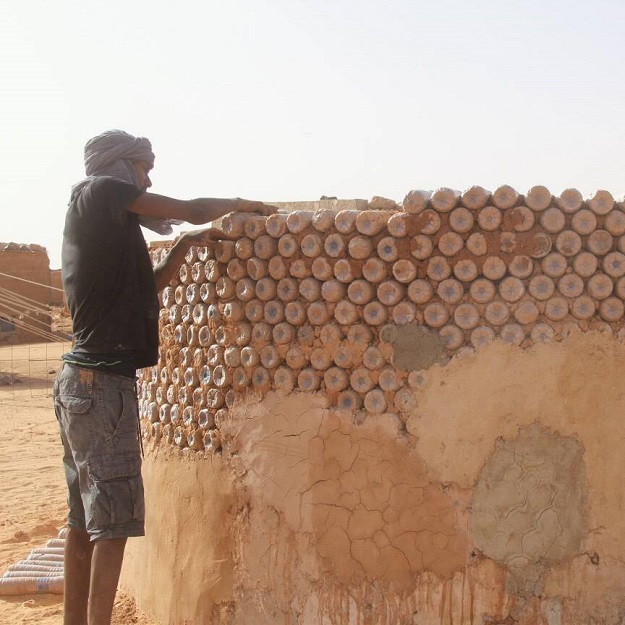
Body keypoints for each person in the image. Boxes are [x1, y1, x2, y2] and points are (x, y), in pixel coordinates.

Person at [54, 129, 276, 625]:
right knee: (111, 525)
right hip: (103, 385)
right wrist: (244, 205)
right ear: (121, 165)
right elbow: (191, 206)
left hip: (79, 383)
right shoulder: (102, 192)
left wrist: (185, 246)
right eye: (143, 167)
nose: (148, 177)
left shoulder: (100, 220)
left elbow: (144, 291)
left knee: (83, 520)